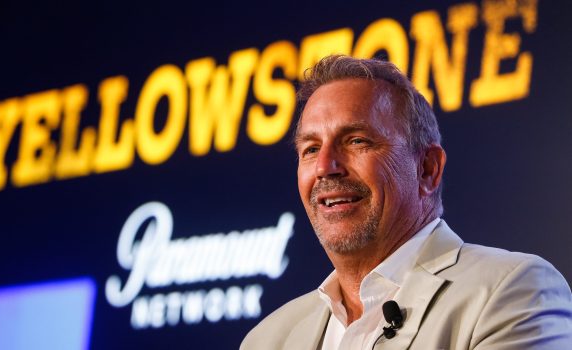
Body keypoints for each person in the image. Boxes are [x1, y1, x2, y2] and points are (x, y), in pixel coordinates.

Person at [240, 55, 572, 349]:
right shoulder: (268, 339)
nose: (326, 166)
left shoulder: (512, 291)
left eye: (356, 140)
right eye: (311, 149)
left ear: (427, 169)